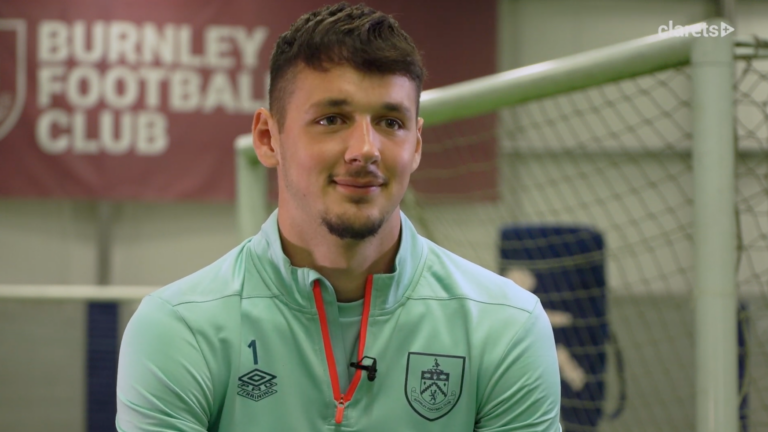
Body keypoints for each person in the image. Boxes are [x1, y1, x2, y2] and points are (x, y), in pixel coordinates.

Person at [116, 3, 561, 431]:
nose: (365, 149)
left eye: (391, 122)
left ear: (417, 145)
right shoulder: (179, 328)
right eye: (332, 119)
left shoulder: (506, 325)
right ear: (268, 138)